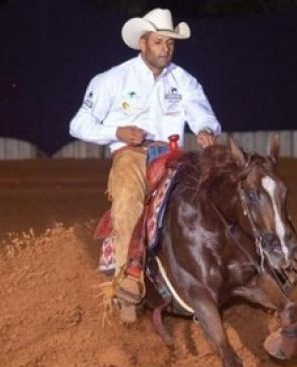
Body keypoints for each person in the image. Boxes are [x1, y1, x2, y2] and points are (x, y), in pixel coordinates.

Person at [69, 8, 221, 322]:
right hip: (131, 154)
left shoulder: (184, 80)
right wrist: (116, 132)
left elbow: (202, 113)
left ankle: (211, 271)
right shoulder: (111, 79)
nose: (165, 48)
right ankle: (128, 280)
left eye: (169, 44)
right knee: (127, 203)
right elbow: (78, 124)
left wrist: (205, 129)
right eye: (158, 42)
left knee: (207, 200)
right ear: (143, 43)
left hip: (173, 153)